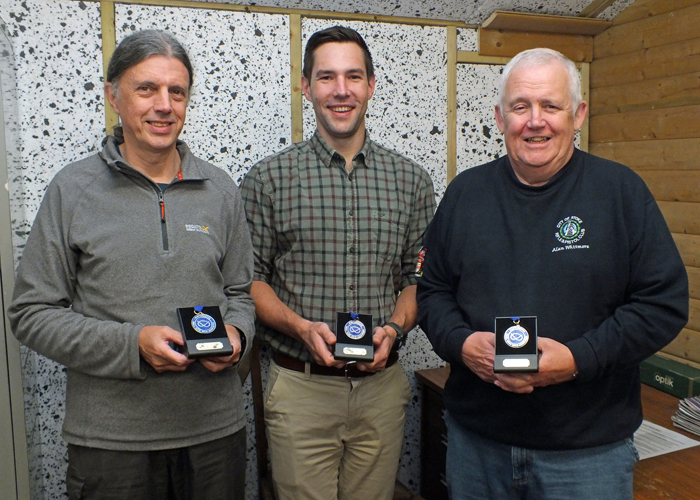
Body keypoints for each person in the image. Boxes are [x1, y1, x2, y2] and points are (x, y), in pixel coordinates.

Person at [416, 48, 689, 500]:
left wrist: (579, 360)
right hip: (478, 447)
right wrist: (462, 345)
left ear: (578, 114)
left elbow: (663, 305)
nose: (535, 121)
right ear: (501, 118)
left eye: (551, 106)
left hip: (587, 457)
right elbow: (432, 290)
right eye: (520, 106)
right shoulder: (466, 193)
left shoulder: (621, 193)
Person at [9, 30, 255, 500]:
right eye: (147, 89)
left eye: (176, 91)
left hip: (213, 436)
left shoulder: (220, 189)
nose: (164, 105)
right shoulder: (72, 190)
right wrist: (131, 344)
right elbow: (31, 313)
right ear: (113, 96)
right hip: (111, 444)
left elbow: (241, 293)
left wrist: (239, 338)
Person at [240, 25, 436, 500]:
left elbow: (417, 280)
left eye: (353, 76)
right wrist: (302, 328)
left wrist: (393, 328)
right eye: (326, 77)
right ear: (305, 87)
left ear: (371, 85)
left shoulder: (411, 181)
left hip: (382, 390)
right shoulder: (269, 178)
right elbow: (249, 281)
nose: (341, 90)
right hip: (301, 389)